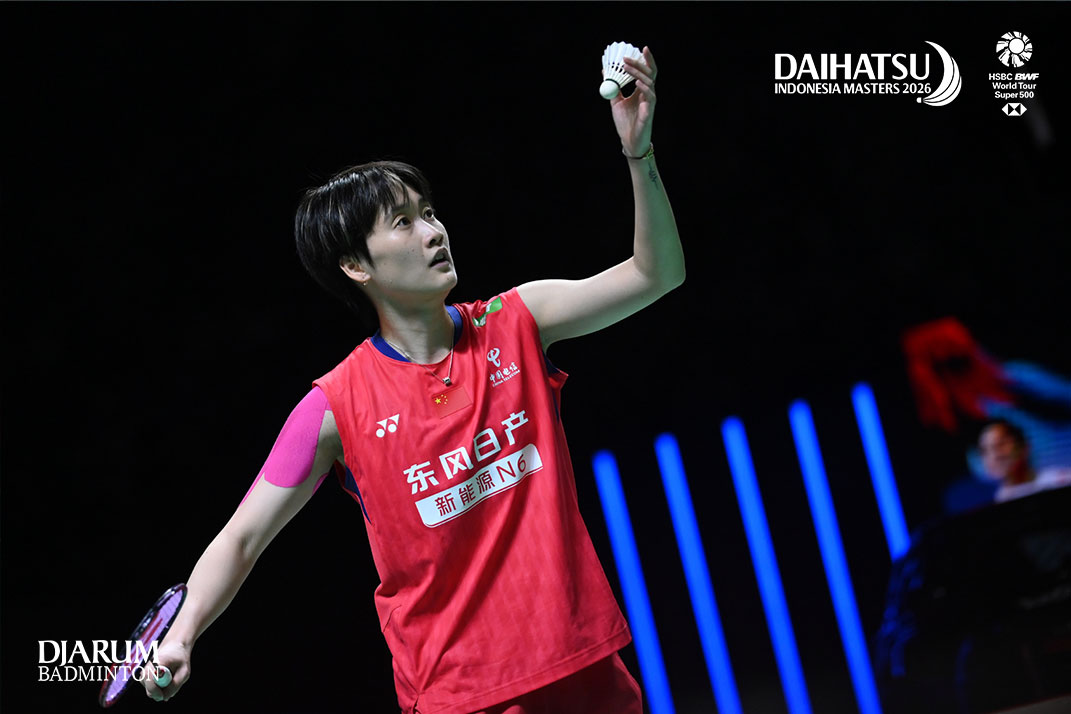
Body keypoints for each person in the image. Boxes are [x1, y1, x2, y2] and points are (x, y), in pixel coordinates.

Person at [142, 47, 681, 713]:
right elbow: (242, 537)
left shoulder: (516, 321)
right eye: (403, 222)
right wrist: (182, 635)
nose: (433, 232)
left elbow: (654, 275)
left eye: (429, 212)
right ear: (355, 266)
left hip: (585, 672)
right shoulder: (335, 406)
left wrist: (637, 151)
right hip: (462, 696)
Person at [978, 418, 1071, 503]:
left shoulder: (1062, 480)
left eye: (1001, 444)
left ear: (1024, 447)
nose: (995, 456)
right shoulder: (998, 501)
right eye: (985, 450)